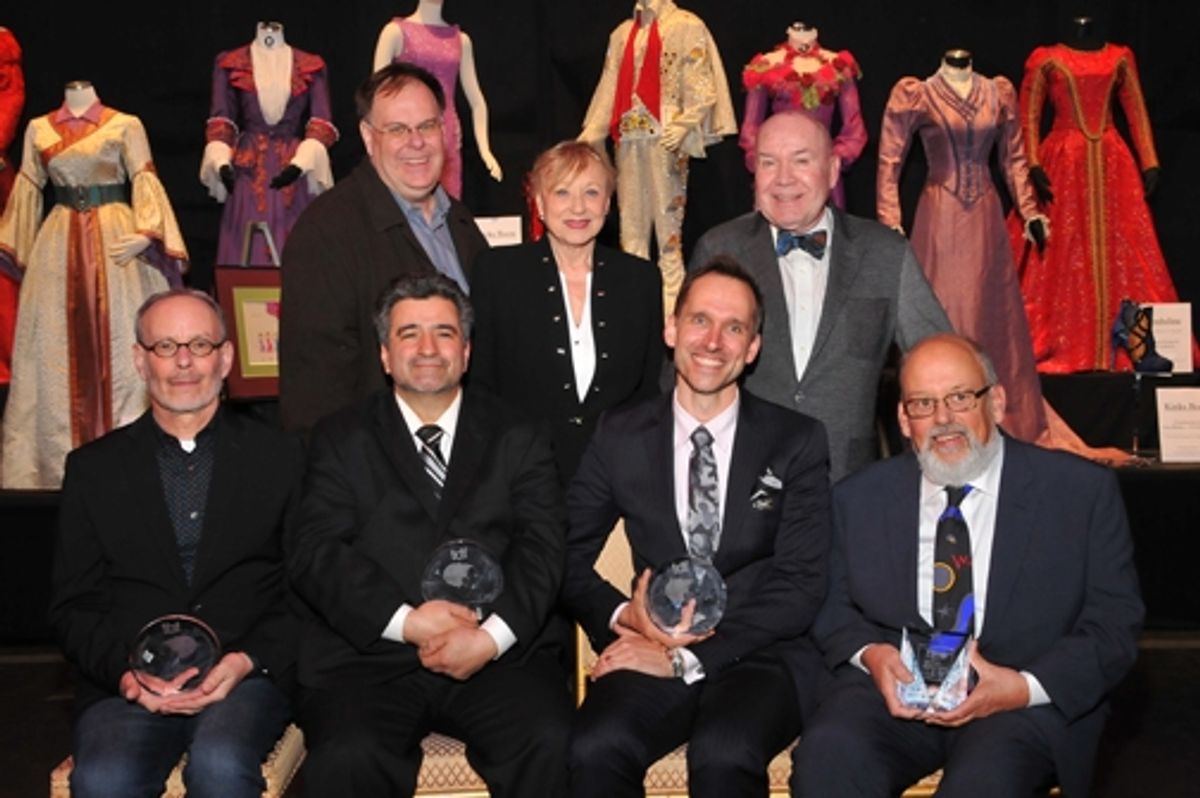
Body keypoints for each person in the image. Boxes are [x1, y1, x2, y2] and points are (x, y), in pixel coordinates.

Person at [792, 334, 1144, 798]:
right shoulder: (857, 498)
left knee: (983, 785)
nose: (943, 419)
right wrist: (872, 655)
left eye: (960, 397)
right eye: (923, 403)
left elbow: (1113, 626)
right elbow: (830, 605)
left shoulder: (1078, 493)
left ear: (995, 402)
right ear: (904, 419)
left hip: (1018, 698)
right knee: (829, 757)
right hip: (893, 694)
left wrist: (1022, 687)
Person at [289, 273, 571, 797]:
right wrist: (409, 623)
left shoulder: (519, 433)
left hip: (499, 655)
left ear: (466, 351)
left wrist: (489, 639)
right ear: (384, 354)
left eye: (443, 333)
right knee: (348, 757)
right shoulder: (339, 437)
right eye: (408, 333)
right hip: (370, 660)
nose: (426, 349)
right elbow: (316, 551)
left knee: (549, 741)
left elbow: (544, 548)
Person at [563, 259, 831, 797]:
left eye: (734, 328)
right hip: (652, 638)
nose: (713, 341)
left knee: (724, 753)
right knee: (594, 746)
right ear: (672, 329)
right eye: (700, 321)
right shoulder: (621, 434)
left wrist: (684, 659)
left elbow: (801, 585)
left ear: (752, 348)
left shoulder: (796, 440)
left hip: (760, 654)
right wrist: (626, 616)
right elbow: (560, 552)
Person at [49, 289, 304, 797]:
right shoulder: (93, 469)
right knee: (103, 779)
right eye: (165, 346)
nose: (184, 362)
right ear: (140, 361)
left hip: (244, 677)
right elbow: (72, 607)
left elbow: (308, 589)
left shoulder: (283, 458)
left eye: (200, 345)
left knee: (220, 764)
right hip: (126, 686)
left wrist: (246, 660)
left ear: (225, 358)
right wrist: (128, 677)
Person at [690, 110, 950, 481]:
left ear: (831, 170)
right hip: (740, 481)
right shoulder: (719, 248)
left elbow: (941, 363)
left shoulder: (885, 253)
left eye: (801, 161)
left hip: (851, 484)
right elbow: (682, 376)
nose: (783, 178)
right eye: (769, 162)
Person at [279, 61, 488, 433]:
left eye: (427, 126)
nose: (416, 142)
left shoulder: (462, 224)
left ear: (444, 130)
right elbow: (315, 392)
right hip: (375, 462)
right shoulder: (326, 232)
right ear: (367, 136)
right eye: (397, 129)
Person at [0, 81, 188, 488]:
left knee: (123, 337)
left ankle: (135, 464)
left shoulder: (125, 124)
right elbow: (28, 187)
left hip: (115, 239)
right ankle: (53, 466)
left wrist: (148, 232)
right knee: (52, 346)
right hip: (57, 243)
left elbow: (144, 177)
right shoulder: (38, 128)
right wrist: (14, 245)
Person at [1007, 17, 1199, 372]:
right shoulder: (1046, 59)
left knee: (1125, 244)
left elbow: (1136, 110)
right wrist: (1032, 162)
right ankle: (1069, 343)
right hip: (1063, 161)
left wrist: (1150, 161)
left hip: (1114, 162)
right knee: (1065, 247)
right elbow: (1027, 116)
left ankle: (1128, 342)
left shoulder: (1120, 57)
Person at [471, 140, 663, 483]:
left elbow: (648, 392)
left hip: (617, 479)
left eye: (591, 192)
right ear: (539, 202)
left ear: (608, 202)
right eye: (562, 192)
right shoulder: (497, 273)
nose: (578, 207)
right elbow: (481, 387)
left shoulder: (641, 279)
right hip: (523, 478)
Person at [579, 0, 736, 314]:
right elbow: (610, 85)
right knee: (631, 227)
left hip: (665, 135)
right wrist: (593, 130)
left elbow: (700, 80)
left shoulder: (685, 25)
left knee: (668, 230)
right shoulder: (623, 33)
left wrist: (685, 123)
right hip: (628, 134)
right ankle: (632, 305)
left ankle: (671, 306)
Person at [200, 21, 338, 266]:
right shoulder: (230, 62)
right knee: (246, 241)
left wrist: (302, 162)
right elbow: (221, 120)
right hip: (248, 168)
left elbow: (321, 121)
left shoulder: (310, 65)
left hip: (293, 166)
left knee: (295, 236)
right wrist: (220, 160)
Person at [373, 0, 503, 197]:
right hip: (406, 132)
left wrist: (485, 150)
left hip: (446, 135)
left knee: (446, 202)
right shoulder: (395, 33)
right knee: (404, 198)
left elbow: (477, 101)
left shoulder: (460, 40)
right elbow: (377, 95)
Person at [739, 21, 866, 208]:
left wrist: (833, 159)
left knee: (825, 219)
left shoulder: (838, 65)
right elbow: (751, 126)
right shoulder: (765, 65)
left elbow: (854, 125)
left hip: (820, 166)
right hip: (778, 163)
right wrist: (763, 160)